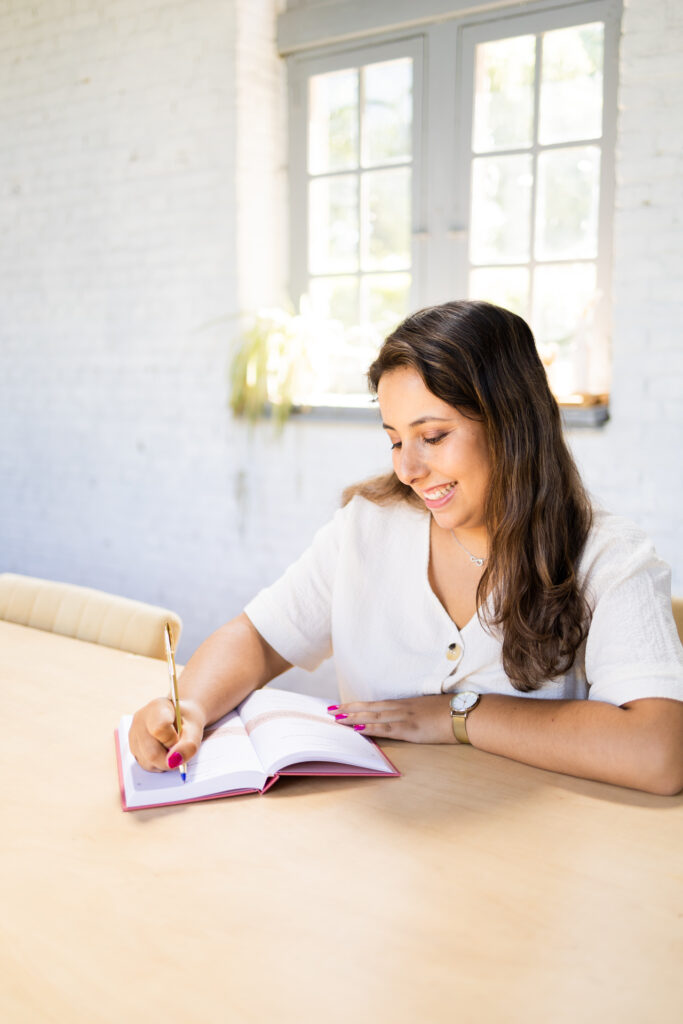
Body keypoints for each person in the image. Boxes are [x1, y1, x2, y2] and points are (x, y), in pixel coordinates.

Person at [130, 300, 683, 795]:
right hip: (378, 851)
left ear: (514, 424)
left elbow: (658, 751)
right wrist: (193, 708)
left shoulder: (610, 559)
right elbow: (258, 637)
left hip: (534, 869)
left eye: (433, 436)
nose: (408, 468)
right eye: (394, 438)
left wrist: (458, 716)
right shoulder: (369, 526)